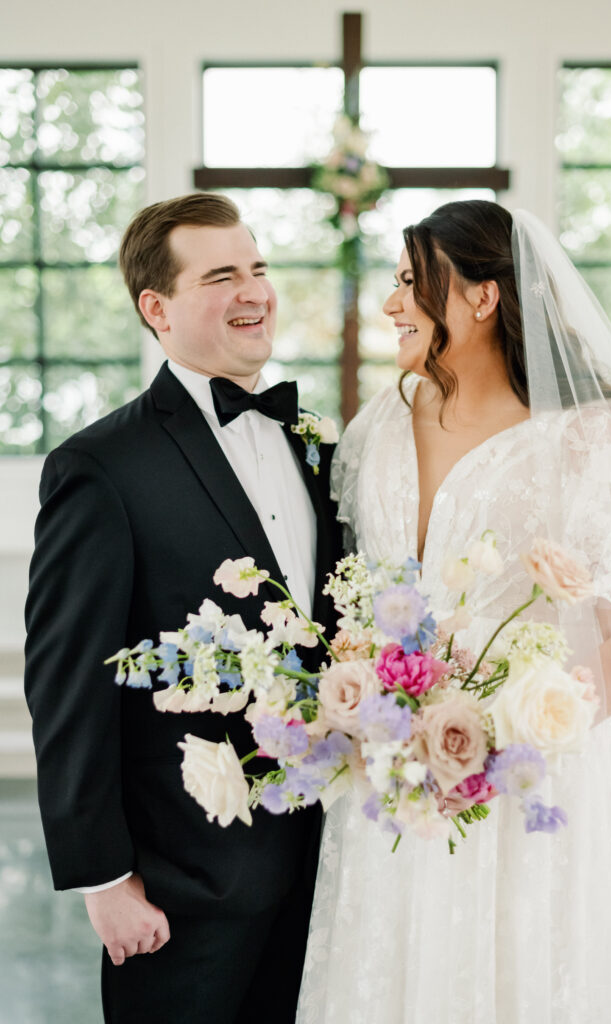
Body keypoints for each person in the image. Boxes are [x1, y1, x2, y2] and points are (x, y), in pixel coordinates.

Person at [296, 200, 611, 1023]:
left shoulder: (599, 444)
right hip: (398, 781)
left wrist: (498, 733)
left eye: (412, 283)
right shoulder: (378, 431)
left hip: (537, 783)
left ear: (482, 297)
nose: (392, 304)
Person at [24, 192, 341, 1024]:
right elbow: (67, 685)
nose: (254, 292)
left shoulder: (313, 441)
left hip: (326, 874)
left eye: (260, 268)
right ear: (155, 308)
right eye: (222, 275)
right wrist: (104, 880)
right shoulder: (99, 466)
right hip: (183, 889)